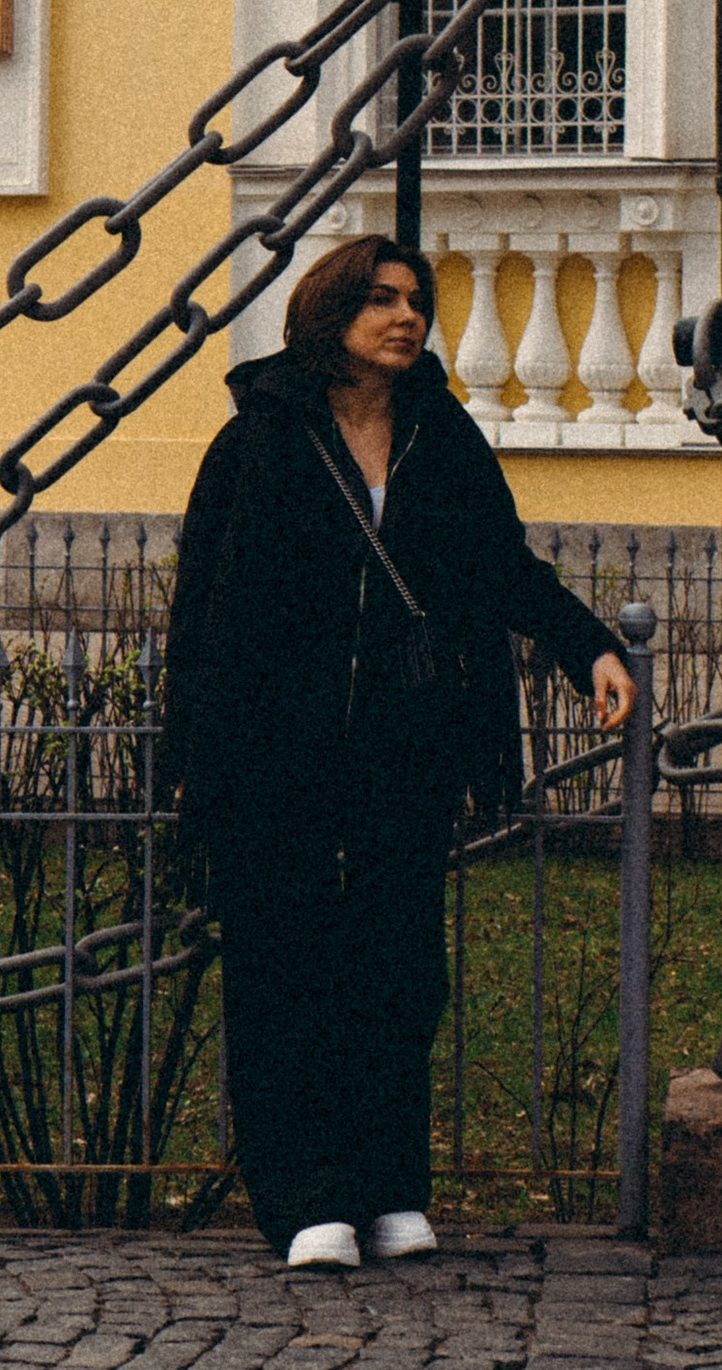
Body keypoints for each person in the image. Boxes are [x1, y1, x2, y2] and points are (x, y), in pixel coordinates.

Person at [162, 236, 633, 1270]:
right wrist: (190, 755)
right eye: (380, 299)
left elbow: (503, 568)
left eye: (415, 301)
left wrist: (586, 644)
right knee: (281, 968)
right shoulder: (260, 443)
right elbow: (201, 612)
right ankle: (304, 1200)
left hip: (401, 745)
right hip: (276, 751)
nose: (405, 317)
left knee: (397, 968)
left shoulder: (441, 437)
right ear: (330, 314)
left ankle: (387, 1189)